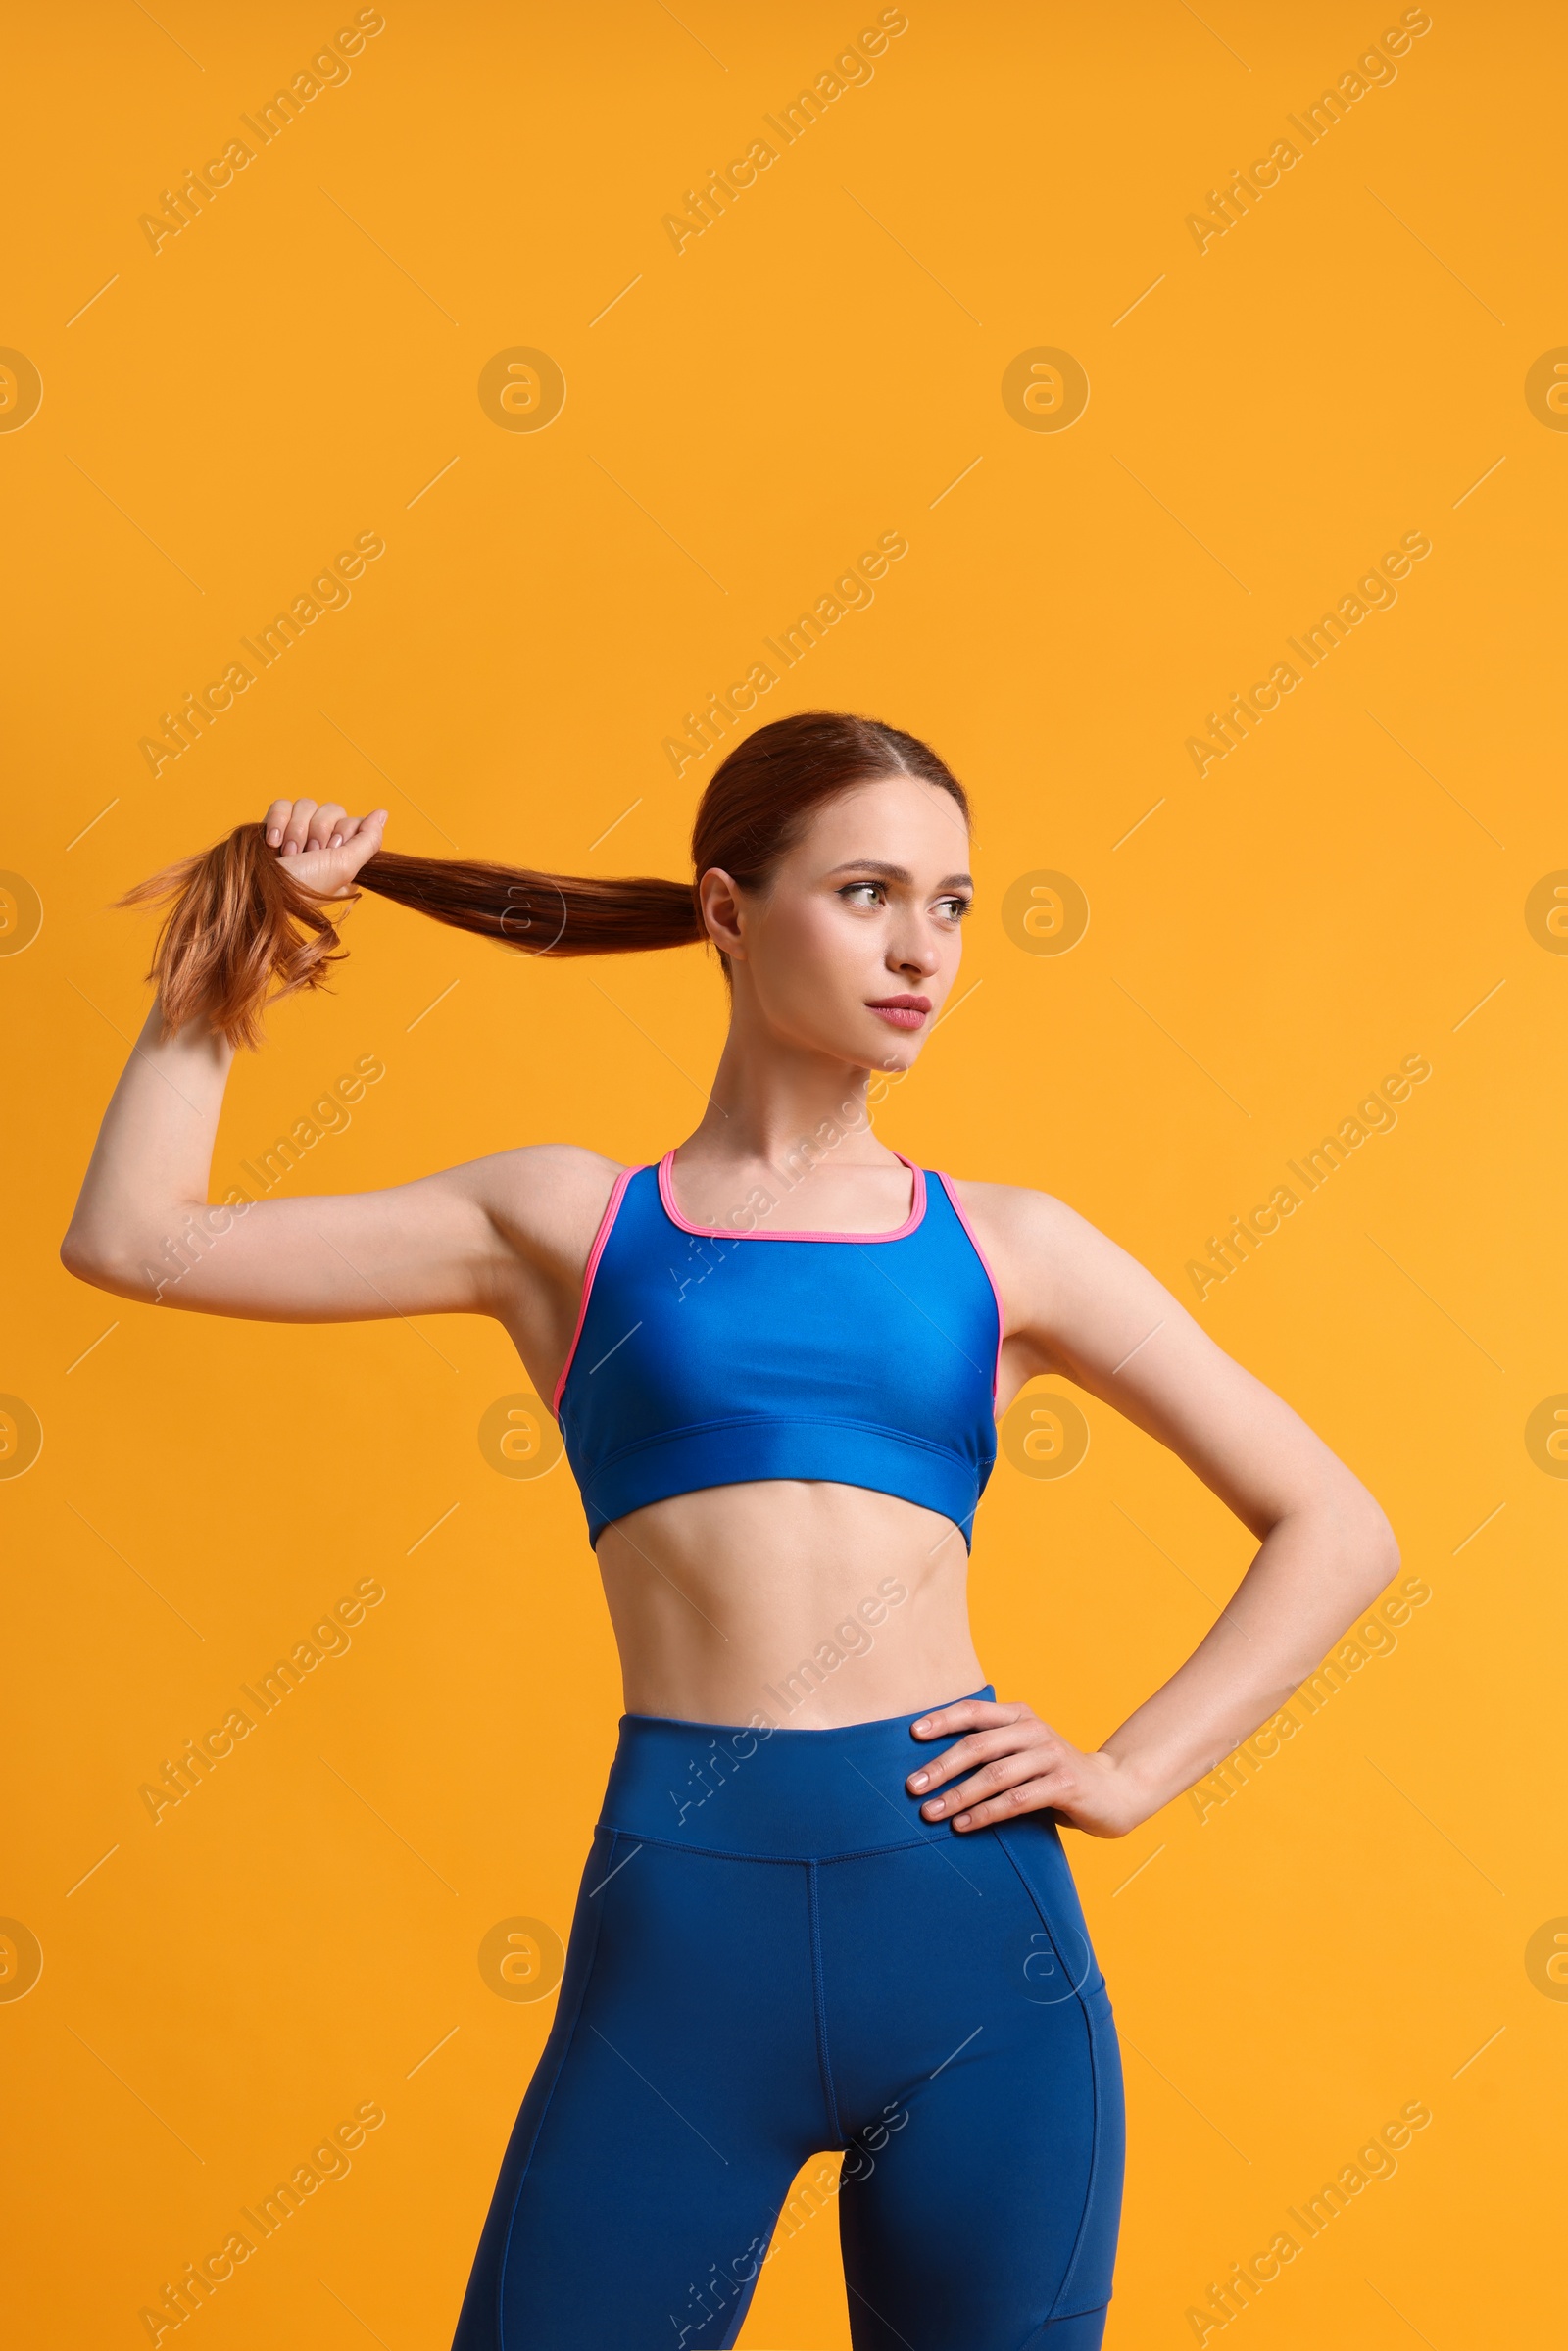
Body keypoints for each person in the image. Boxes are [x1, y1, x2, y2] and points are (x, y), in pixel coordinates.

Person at [62, 710, 1397, 2350]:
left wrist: (1127, 1771)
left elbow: (1337, 1523)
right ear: (725, 911)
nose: (924, 949)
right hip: (686, 1941)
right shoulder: (564, 1222)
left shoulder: (1013, 1249)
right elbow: (136, 1239)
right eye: (866, 892)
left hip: (976, 1941)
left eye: (956, 903)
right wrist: (254, 934)